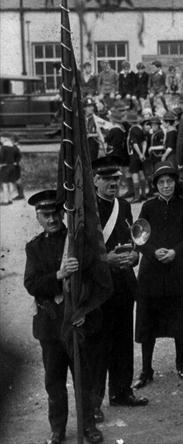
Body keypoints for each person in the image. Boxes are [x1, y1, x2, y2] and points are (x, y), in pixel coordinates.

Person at [23, 190, 106, 444]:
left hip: (76, 321)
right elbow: (32, 284)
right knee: (54, 381)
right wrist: (58, 276)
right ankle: (57, 428)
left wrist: (84, 310)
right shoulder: (34, 247)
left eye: (55, 213)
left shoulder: (77, 244)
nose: (51, 220)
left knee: (83, 378)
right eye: (45, 215)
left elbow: (96, 282)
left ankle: (88, 425)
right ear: (38, 217)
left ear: (63, 213)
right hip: (50, 325)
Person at [91, 157, 148, 422]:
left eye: (116, 178)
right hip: (99, 287)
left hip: (123, 283)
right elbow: (77, 253)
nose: (113, 183)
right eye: (107, 179)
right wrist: (106, 260)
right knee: (99, 345)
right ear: (95, 181)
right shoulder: (85, 209)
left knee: (123, 341)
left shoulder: (123, 205)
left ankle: (121, 392)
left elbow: (131, 240)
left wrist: (135, 257)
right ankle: (93, 403)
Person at [132, 161, 183, 388]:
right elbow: (139, 236)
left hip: (177, 268)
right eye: (162, 182)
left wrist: (175, 252)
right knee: (147, 320)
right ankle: (146, 369)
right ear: (156, 185)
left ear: (175, 183)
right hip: (152, 270)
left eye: (170, 181)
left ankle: (180, 361)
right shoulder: (148, 206)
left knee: (180, 316)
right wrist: (152, 251)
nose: (166, 186)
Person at [125, 110, 148, 203]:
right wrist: (143, 153)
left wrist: (139, 153)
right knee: (141, 173)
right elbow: (144, 142)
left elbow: (134, 143)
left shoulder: (132, 130)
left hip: (134, 155)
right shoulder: (140, 128)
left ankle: (137, 196)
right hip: (140, 155)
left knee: (135, 174)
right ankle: (144, 194)